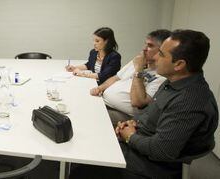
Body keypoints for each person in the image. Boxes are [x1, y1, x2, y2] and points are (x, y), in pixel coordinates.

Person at [71, 29, 218, 179]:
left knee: (83, 167)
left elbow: (162, 150)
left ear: (179, 64)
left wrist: (130, 137)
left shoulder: (189, 101)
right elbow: (150, 114)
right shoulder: (172, 82)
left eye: (161, 54)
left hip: (151, 165)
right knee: (86, 151)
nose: (155, 57)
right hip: (140, 143)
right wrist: (132, 124)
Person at [90, 30, 171, 126]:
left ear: (162, 50)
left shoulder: (161, 76)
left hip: (124, 114)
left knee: (89, 115)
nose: (144, 49)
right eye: (145, 44)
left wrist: (138, 70)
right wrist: (100, 88)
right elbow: (116, 78)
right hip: (104, 101)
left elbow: (138, 102)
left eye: (150, 46)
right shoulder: (137, 61)